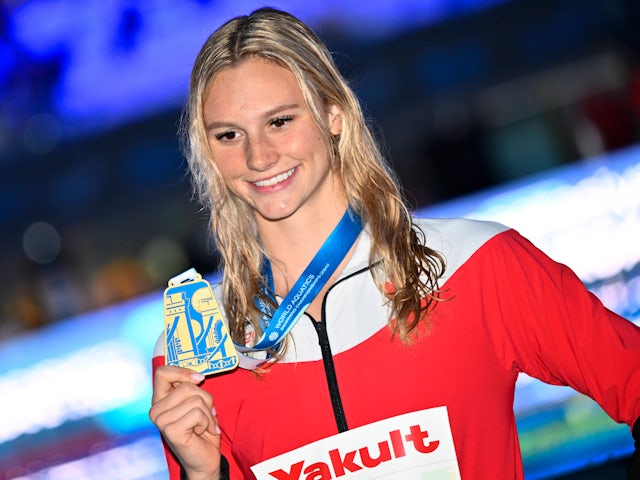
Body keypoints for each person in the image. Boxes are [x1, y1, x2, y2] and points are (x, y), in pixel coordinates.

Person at [149, 7, 640, 480]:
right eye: (229, 134)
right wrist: (203, 472)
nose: (258, 156)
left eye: (281, 121)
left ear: (333, 115)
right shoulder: (198, 344)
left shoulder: (475, 264)